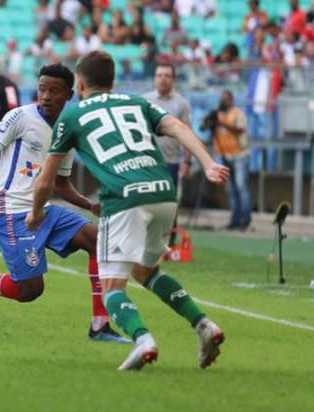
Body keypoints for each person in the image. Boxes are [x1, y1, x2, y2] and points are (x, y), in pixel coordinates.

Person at [29, 50, 229, 371]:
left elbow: (45, 182)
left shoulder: (72, 115)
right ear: (112, 81)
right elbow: (177, 126)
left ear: (79, 84)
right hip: (164, 193)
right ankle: (204, 326)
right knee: (146, 272)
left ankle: (143, 340)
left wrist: (35, 214)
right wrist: (208, 163)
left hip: (124, 199)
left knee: (111, 289)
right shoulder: (137, 102)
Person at [0, 63, 129, 344]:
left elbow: (59, 183)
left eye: (54, 91)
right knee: (29, 291)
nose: (45, 96)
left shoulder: (67, 128)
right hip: (9, 210)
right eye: (42, 89)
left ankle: (100, 326)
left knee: (100, 241)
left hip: (41, 211)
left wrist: (87, 205)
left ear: (69, 95)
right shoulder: (20, 117)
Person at [143, 63, 192, 245]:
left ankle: (169, 242)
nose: (163, 79)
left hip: (171, 161)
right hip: (147, 161)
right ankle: (148, 240)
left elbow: (187, 133)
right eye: (159, 75)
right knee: (147, 202)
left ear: (173, 79)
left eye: (167, 75)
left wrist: (187, 161)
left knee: (170, 203)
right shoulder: (144, 101)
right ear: (155, 78)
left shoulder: (182, 104)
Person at [210, 90, 251, 230]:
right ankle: (234, 219)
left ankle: (245, 218)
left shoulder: (238, 113)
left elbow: (240, 129)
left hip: (240, 155)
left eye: (226, 99)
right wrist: (211, 121)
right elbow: (205, 128)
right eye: (222, 99)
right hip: (224, 155)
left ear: (231, 100)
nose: (223, 102)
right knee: (231, 190)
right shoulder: (218, 114)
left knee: (241, 187)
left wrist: (223, 123)